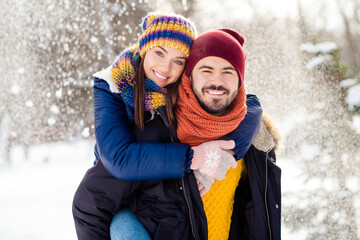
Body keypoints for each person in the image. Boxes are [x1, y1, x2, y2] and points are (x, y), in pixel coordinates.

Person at [72, 12, 263, 240]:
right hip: (115, 193)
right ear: (145, 49)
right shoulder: (111, 85)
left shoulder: (182, 91)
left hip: (158, 198)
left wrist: (223, 156)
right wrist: (194, 157)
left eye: (179, 61)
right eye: (159, 53)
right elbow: (118, 159)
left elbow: (249, 105)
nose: (166, 68)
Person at [110, 29, 282, 240]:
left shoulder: (256, 142)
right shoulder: (155, 126)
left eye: (228, 71)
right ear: (188, 76)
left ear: (240, 81)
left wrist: (225, 155)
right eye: (206, 70)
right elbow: (102, 199)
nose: (217, 81)